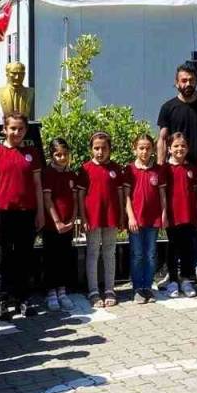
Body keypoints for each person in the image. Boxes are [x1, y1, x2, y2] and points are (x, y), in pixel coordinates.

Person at [0, 113, 44, 320]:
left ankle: (23, 299)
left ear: (26, 130)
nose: (16, 132)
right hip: (3, 214)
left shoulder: (31, 153)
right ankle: (1, 300)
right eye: (12, 128)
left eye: (20, 129)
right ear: (4, 129)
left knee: (24, 257)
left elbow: (37, 185)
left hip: (27, 213)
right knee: (2, 258)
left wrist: (40, 212)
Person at [79, 132, 123, 308]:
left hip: (111, 217)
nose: (100, 152)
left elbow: (120, 194)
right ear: (91, 149)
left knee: (109, 253)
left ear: (110, 149)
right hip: (93, 218)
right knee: (92, 253)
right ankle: (93, 291)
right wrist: (83, 217)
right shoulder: (85, 169)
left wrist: (121, 216)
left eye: (104, 148)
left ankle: (110, 289)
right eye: (96, 148)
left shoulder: (116, 168)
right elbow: (81, 196)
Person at [126, 134, 166, 304]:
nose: (144, 151)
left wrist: (164, 215)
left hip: (153, 220)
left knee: (150, 254)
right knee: (137, 254)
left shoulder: (158, 170)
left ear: (153, 149)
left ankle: (148, 286)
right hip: (136, 220)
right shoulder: (129, 170)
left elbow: (162, 195)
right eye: (141, 148)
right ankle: (137, 288)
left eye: (148, 148)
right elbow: (126, 196)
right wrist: (131, 217)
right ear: (135, 149)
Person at [156, 64, 197, 165]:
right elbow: (163, 139)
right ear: (177, 83)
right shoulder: (167, 108)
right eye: (184, 80)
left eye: (191, 80)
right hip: (177, 166)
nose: (188, 84)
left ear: (196, 81)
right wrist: (160, 165)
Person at [41, 138, 79, 312]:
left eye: (64, 154)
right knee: (51, 258)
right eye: (58, 155)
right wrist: (57, 221)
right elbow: (47, 199)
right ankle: (51, 292)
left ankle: (62, 291)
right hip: (52, 225)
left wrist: (72, 219)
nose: (62, 158)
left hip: (68, 224)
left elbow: (75, 199)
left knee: (64, 257)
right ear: (51, 155)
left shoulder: (71, 174)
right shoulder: (48, 173)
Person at [164, 133, 197, 298]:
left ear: (188, 148)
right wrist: (164, 215)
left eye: (183, 146)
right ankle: (172, 281)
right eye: (176, 146)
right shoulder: (165, 169)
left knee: (188, 249)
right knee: (173, 248)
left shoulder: (192, 168)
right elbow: (162, 195)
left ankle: (186, 279)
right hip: (172, 216)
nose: (179, 149)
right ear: (169, 149)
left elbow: (196, 194)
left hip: (189, 215)